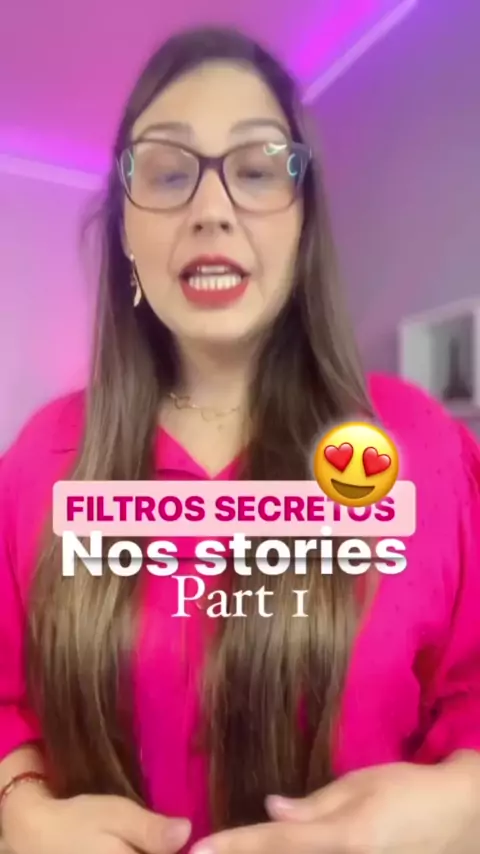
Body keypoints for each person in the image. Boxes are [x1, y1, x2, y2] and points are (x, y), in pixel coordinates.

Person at [0, 25, 479, 854]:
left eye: (256, 170)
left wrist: (467, 804)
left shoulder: (422, 448)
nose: (212, 209)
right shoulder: (38, 462)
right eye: (168, 172)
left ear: (303, 216)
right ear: (125, 230)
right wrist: (15, 807)